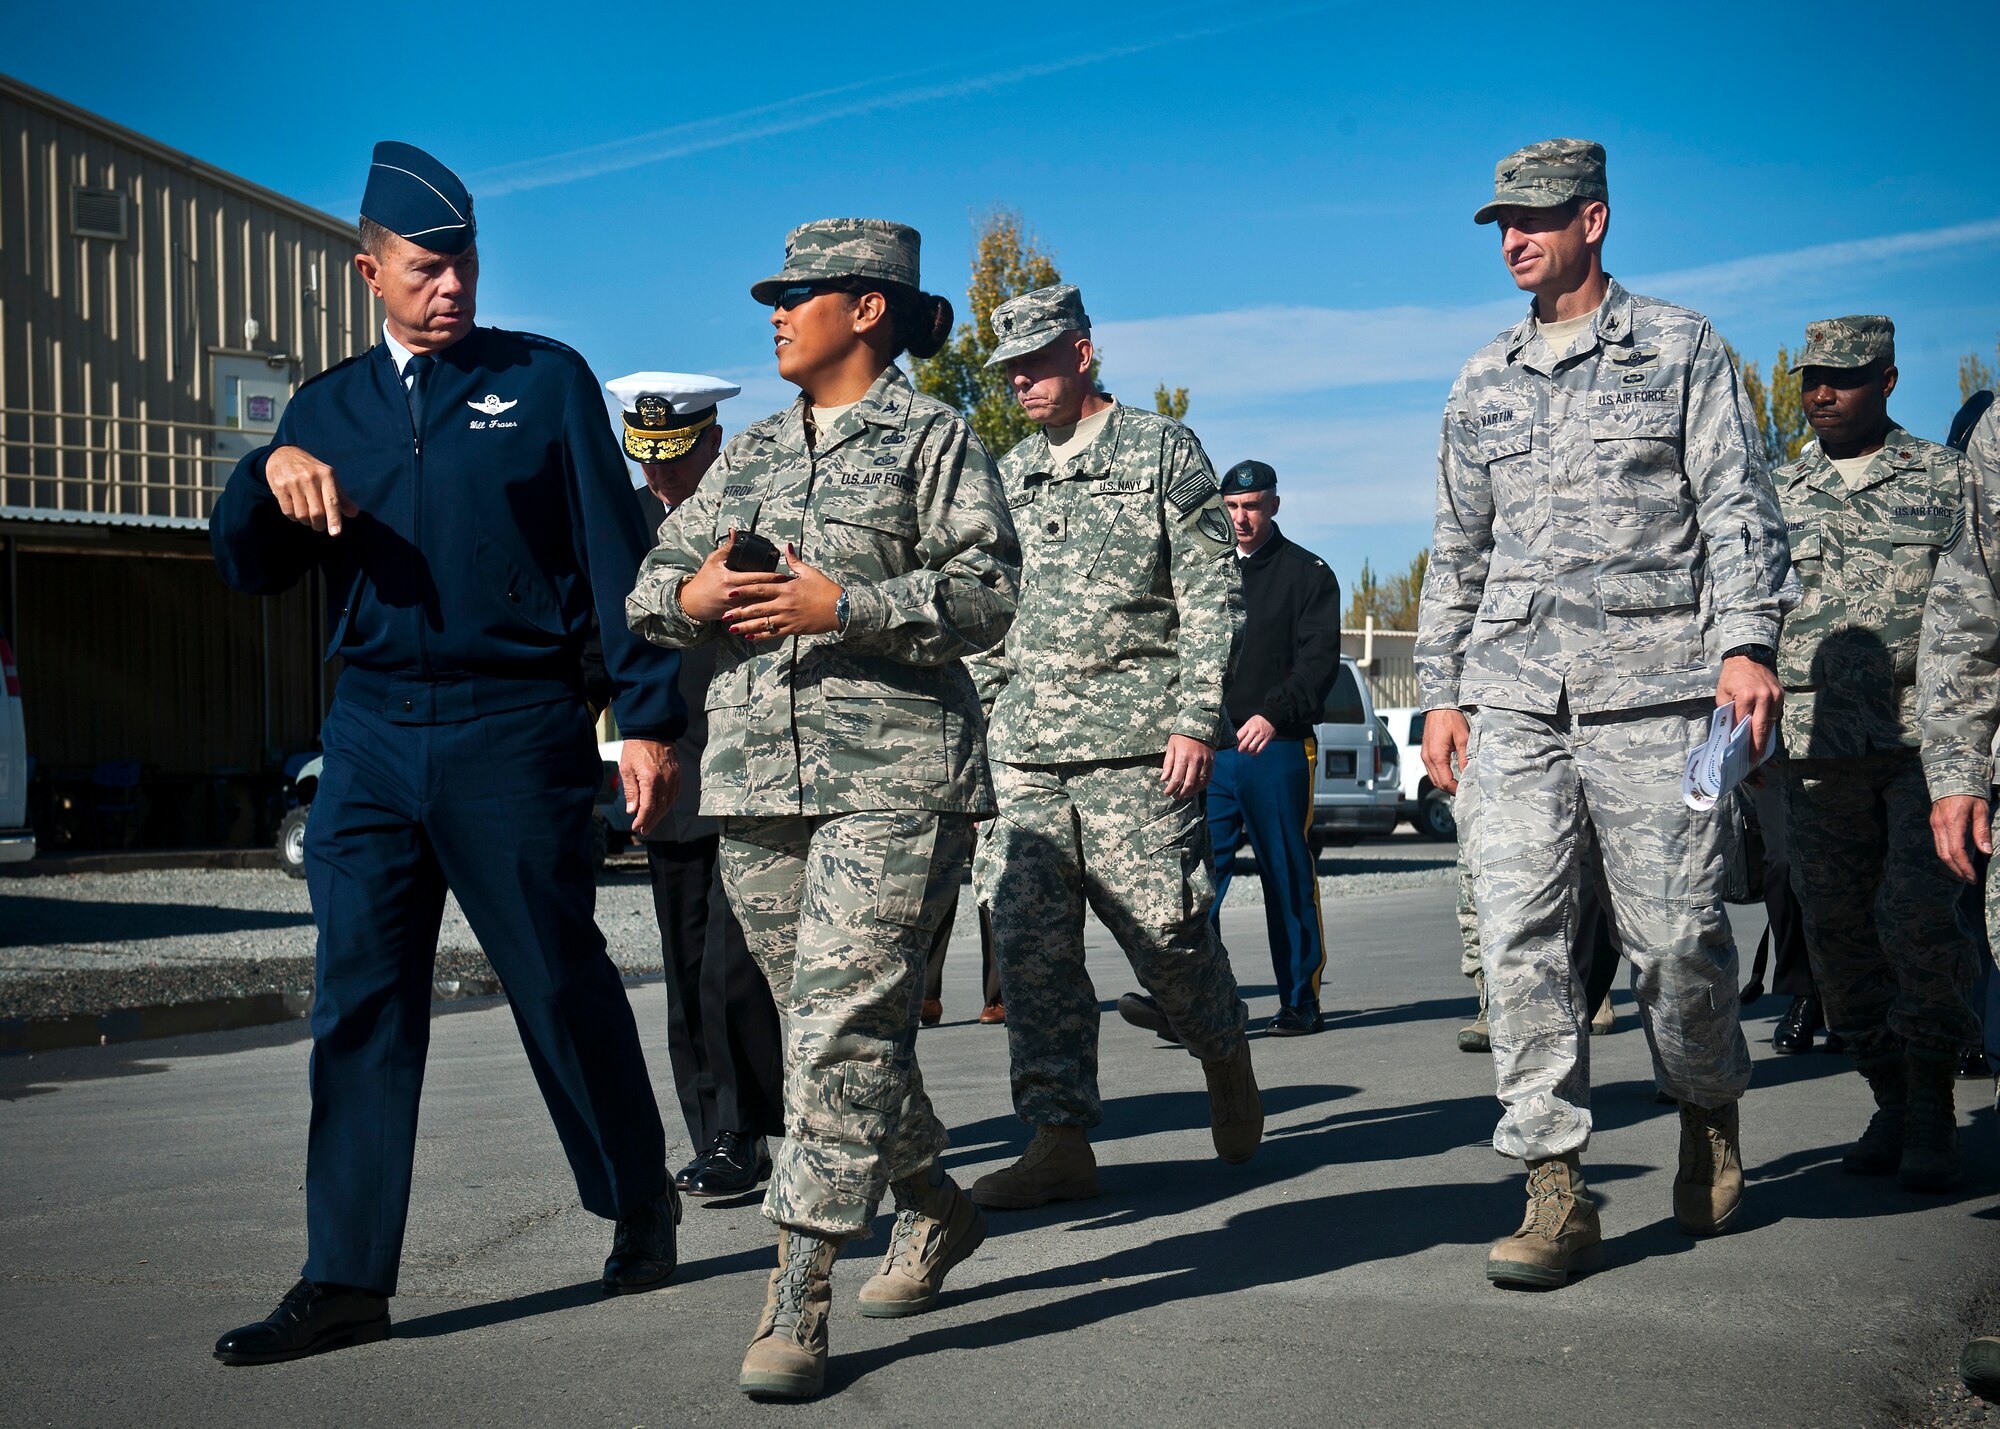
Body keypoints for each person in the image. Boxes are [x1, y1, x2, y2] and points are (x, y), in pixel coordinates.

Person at [208, 142, 686, 1365]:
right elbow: (248, 565)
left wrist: (643, 721)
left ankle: (638, 1197)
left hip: (511, 726)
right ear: (368, 269)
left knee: (557, 979)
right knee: (358, 996)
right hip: (368, 732)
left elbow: (613, 559)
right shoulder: (327, 411)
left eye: (464, 259)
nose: (452, 284)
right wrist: (264, 470)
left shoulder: (544, 382)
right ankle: (346, 1276)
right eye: (425, 266)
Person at [625, 218, 1019, 1401]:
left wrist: (838, 603)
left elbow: (989, 591)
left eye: (799, 295)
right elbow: (651, 590)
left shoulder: (932, 438)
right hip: (755, 783)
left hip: (896, 780)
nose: (775, 313)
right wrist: (693, 591)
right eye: (774, 294)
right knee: (823, 1031)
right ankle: (939, 1205)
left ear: (867, 308)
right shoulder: (743, 453)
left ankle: (795, 1293)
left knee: (841, 1024)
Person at [1416, 138, 1789, 1288]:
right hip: (1518, 699)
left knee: (1676, 939)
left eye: (1532, 216)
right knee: (1518, 938)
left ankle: (1704, 1096)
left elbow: (1736, 503)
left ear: (1595, 219)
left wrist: (1745, 643)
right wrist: (1437, 688)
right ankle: (1553, 1185)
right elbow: (1456, 546)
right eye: (1498, 222)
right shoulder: (1479, 379)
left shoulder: (1680, 349)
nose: (1511, 236)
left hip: (1659, 695)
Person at [967, 282, 1262, 1214]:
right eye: (1009, 366)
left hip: (1141, 749)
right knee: (1030, 951)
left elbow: (1214, 596)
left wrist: (1195, 718)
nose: (1021, 380)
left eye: (1037, 360)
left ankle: (1221, 1047)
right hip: (1024, 753)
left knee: (1167, 936)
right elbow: (984, 614)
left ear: (1083, 353)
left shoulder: (1163, 452)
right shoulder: (1007, 475)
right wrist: (979, 725)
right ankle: (1059, 1137)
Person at [1771, 316, 1981, 1190]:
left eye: (1845, 378)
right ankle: (1888, 1094)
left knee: (1918, 924)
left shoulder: (1944, 480)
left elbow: (1976, 612)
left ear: (1889, 381)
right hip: (1815, 753)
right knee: (1839, 935)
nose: (1823, 392)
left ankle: (1932, 1102)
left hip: (1917, 748)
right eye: (1814, 376)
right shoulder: (1774, 492)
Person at [606, 372, 785, 1199]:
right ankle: (714, 1128)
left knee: (736, 964)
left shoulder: (758, 519)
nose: (660, 476)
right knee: (684, 964)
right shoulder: (628, 525)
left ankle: (747, 1126)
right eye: (649, 460)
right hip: (669, 767)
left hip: (748, 764)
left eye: (675, 459)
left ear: (713, 441)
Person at [1121, 459, 1340, 1036]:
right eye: (1231, 508)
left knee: (1287, 876)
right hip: (1209, 752)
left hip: (1278, 751)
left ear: (1273, 505)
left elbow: (1319, 663)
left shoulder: (1308, 574)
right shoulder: (1201, 572)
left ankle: (1299, 1002)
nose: (1240, 518)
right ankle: (1190, 1002)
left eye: (1251, 506)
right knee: (1193, 879)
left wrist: (1275, 713)